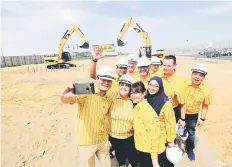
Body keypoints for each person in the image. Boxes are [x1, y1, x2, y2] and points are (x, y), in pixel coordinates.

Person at [60, 66, 115, 167]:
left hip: (102, 139)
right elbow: (69, 99)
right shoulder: (87, 92)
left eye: (109, 80)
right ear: (97, 78)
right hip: (87, 141)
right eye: (103, 79)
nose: (106, 83)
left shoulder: (108, 98)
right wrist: (64, 95)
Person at [178, 63, 212, 161]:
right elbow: (183, 104)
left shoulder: (206, 91)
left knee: (191, 133)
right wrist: (182, 118)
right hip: (180, 111)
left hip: (193, 115)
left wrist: (202, 118)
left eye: (201, 75)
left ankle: (190, 150)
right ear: (191, 74)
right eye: (195, 73)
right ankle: (175, 146)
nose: (197, 77)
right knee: (176, 130)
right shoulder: (184, 85)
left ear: (204, 77)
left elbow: (205, 105)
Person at [107, 74, 138, 167]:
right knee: (120, 156)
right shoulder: (111, 96)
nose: (123, 87)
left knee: (133, 158)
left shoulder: (134, 99)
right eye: (121, 84)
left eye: (127, 85)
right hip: (113, 136)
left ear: (131, 87)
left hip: (129, 137)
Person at [145, 76, 176, 167]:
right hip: (147, 137)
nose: (152, 88)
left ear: (160, 88)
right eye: (150, 85)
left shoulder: (165, 102)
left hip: (161, 138)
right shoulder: (144, 98)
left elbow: (170, 123)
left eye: (156, 86)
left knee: (161, 161)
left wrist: (170, 141)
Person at [131, 81, 161, 167]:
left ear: (143, 93)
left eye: (137, 92)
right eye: (132, 92)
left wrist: (154, 160)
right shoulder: (137, 106)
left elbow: (154, 134)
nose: (134, 95)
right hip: (140, 147)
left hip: (147, 150)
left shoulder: (147, 110)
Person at [160, 55, 185, 122]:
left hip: (172, 111)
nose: (166, 68)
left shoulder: (179, 81)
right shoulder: (159, 76)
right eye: (164, 65)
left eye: (169, 66)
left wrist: (182, 119)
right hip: (158, 110)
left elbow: (182, 103)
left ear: (174, 65)